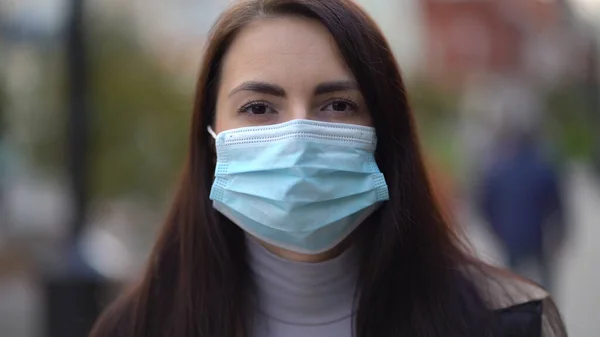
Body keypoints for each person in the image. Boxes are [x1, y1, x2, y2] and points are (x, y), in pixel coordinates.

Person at [90, 1, 567, 336]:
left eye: (337, 104)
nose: (298, 137)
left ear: (385, 130)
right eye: (259, 107)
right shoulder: (136, 328)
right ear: (210, 138)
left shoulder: (502, 323)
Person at [478, 125, 565, 292]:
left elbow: (484, 205)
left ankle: (518, 309)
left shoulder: (497, 172)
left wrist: (497, 230)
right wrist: (558, 235)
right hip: (537, 237)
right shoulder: (545, 169)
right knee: (545, 278)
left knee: (513, 282)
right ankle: (547, 307)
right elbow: (556, 207)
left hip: (510, 236)